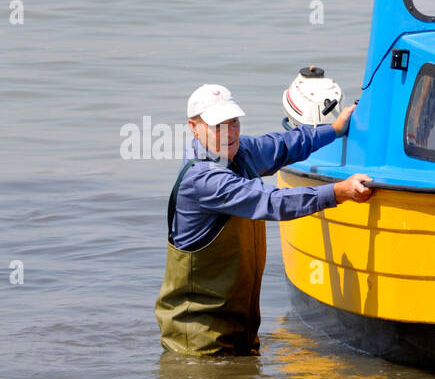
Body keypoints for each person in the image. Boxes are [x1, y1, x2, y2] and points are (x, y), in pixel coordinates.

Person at [155, 83, 375, 356]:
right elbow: (272, 202)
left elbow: (283, 145)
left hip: (236, 330)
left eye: (234, 122)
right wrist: (338, 192)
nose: (230, 133)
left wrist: (334, 129)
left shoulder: (239, 152)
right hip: (199, 340)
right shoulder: (205, 180)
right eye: (219, 126)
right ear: (194, 127)